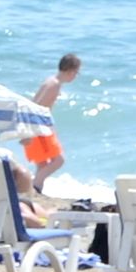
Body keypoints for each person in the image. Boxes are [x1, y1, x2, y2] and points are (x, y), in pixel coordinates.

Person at [23, 54, 81, 182]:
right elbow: (38, 106)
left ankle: (36, 189)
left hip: (33, 127)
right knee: (59, 161)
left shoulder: (50, 81)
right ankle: (35, 185)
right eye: (77, 73)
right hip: (39, 128)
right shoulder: (54, 85)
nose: (76, 76)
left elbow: (34, 104)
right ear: (71, 71)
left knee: (42, 164)